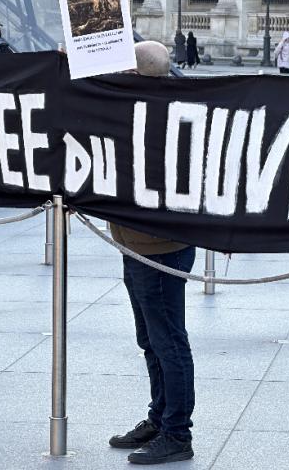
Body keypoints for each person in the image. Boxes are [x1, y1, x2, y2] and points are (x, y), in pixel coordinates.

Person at [107, 41, 198, 465]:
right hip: (135, 245)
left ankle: (178, 433)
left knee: (169, 343)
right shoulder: (137, 111)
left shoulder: (162, 122)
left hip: (160, 250)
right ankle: (160, 417)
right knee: (150, 340)